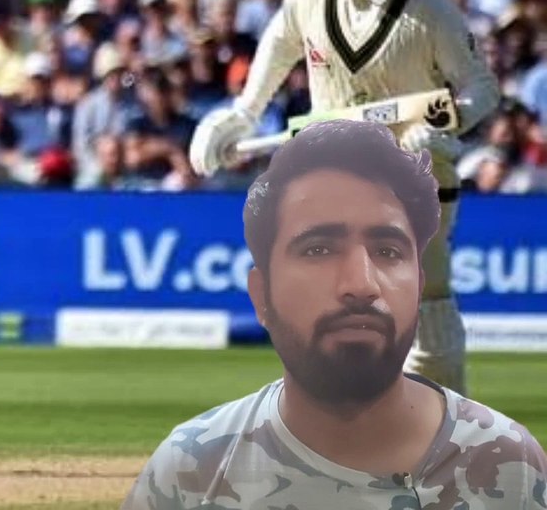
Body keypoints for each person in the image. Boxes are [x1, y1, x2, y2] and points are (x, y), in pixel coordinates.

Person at [124, 120, 547, 508]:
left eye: (387, 250)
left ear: (421, 283)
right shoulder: (188, 468)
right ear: (261, 294)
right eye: (319, 249)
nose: (361, 284)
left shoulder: (513, 466)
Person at [189, 0, 500, 396]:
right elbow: (278, 51)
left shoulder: (432, 9)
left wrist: (438, 127)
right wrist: (244, 114)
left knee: (425, 310)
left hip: (414, 175)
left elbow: (482, 90)